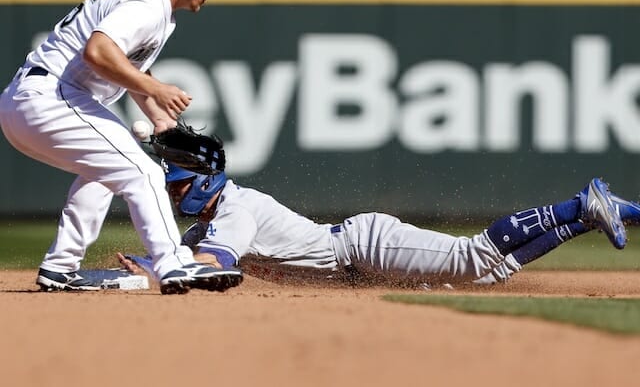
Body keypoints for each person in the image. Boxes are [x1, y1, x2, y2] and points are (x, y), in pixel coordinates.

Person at [0, 0, 243, 295]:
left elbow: (127, 67)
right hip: (49, 98)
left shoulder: (150, 0)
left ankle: (60, 266)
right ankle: (173, 263)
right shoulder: (146, 2)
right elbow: (98, 52)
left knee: (106, 170)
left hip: (31, 100)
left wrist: (162, 121)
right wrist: (157, 89)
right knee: (142, 173)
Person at [118, 157, 638, 288]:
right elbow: (188, 256)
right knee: (489, 276)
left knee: (472, 256)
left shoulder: (233, 209)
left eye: (179, 184)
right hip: (359, 268)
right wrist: (155, 263)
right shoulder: (209, 224)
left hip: (362, 248)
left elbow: (212, 265)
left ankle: (577, 204)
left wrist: (161, 271)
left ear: (203, 182)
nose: (173, 192)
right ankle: (587, 216)